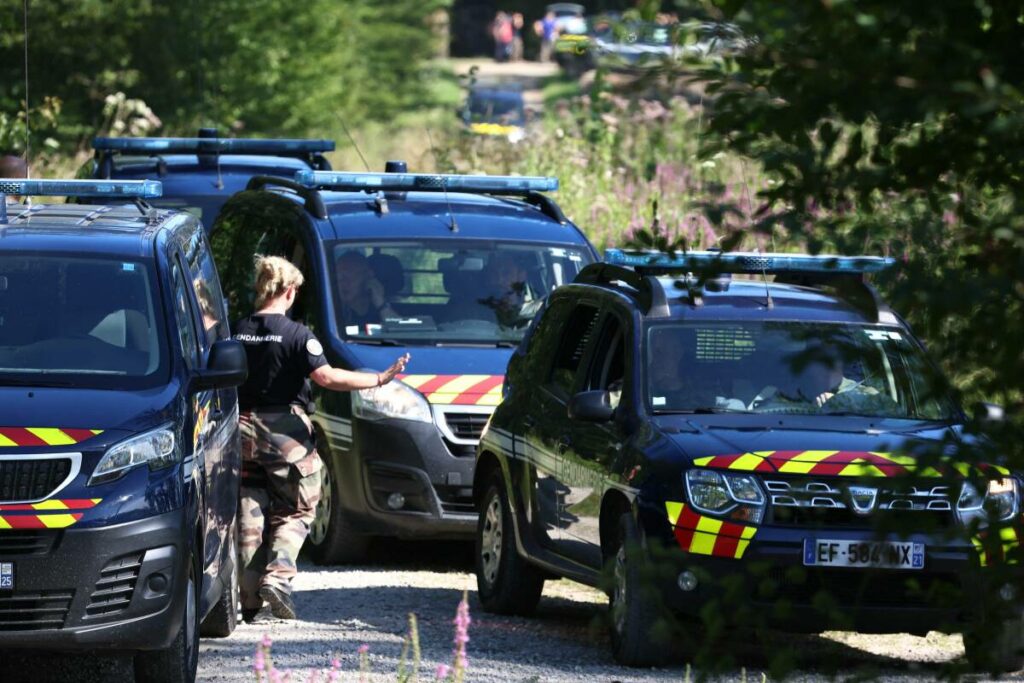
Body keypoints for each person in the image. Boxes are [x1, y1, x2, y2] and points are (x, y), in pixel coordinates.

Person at [234, 255, 409, 621]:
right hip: (284, 431)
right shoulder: (298, 334)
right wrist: (379, 378)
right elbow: (327, 378)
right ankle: (278, 578)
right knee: (296, 506)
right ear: (290, 291)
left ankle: (247, 597)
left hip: (240, 428)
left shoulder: (239, 330)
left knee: (249, 507)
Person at [335, 251, 398, 327]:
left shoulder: (384, 309)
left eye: (349, 277)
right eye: (339, 277)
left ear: (368, 276)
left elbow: (398, 331)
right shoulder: (332, 310)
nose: (342, 283)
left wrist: (380, 303)